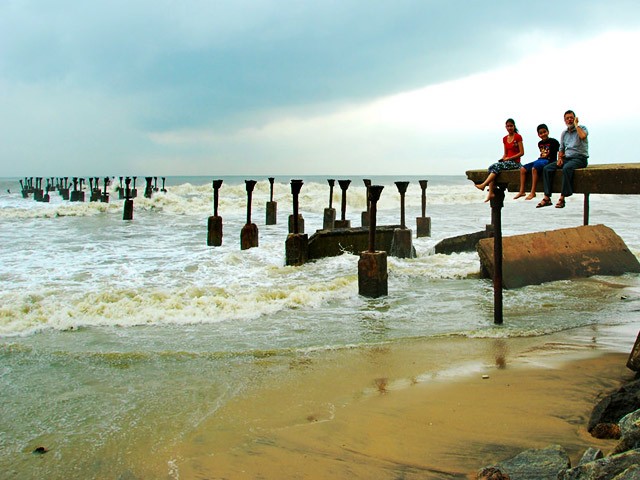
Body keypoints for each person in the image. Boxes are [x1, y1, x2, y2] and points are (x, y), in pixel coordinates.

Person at [536, 110, 589, 208]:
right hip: (567, 158)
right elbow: (561, 148)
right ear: (564, 120)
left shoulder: (582, 128)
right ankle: (547, 197)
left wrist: (576, 125)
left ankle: (562, 198)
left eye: (571, 118)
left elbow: (582, 136)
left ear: (575, 118)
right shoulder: (564, 133)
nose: (569, 120)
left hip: (579, 158)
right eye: (567, 118)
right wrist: (560, 158)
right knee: (547, 169)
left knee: (567, 168)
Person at [475, 118, 524, 202]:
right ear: (506, 127)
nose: (509, 128)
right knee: (492, 167)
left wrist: (510, 158)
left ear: (514, 126)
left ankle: (484, 185)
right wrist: (503, 158)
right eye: (508, 126)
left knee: (496, 167)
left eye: (511, 126)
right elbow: (505, 153)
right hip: (507, 161)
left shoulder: (518, 137)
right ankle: (491, 192)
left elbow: (522, 152)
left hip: (515, 162)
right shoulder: (505, 138)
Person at [513, 124, 560, 200]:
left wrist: (559, 159)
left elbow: (559, 151)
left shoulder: (554, 141)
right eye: (541, 133)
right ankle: (522, 191)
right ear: (538, 135)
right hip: (540, 160)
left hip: (549, 160)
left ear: (548, 132)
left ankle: (532, 192)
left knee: (534, 169)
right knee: (522, 169)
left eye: (544, 132)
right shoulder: (540, 143)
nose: (543, 134)